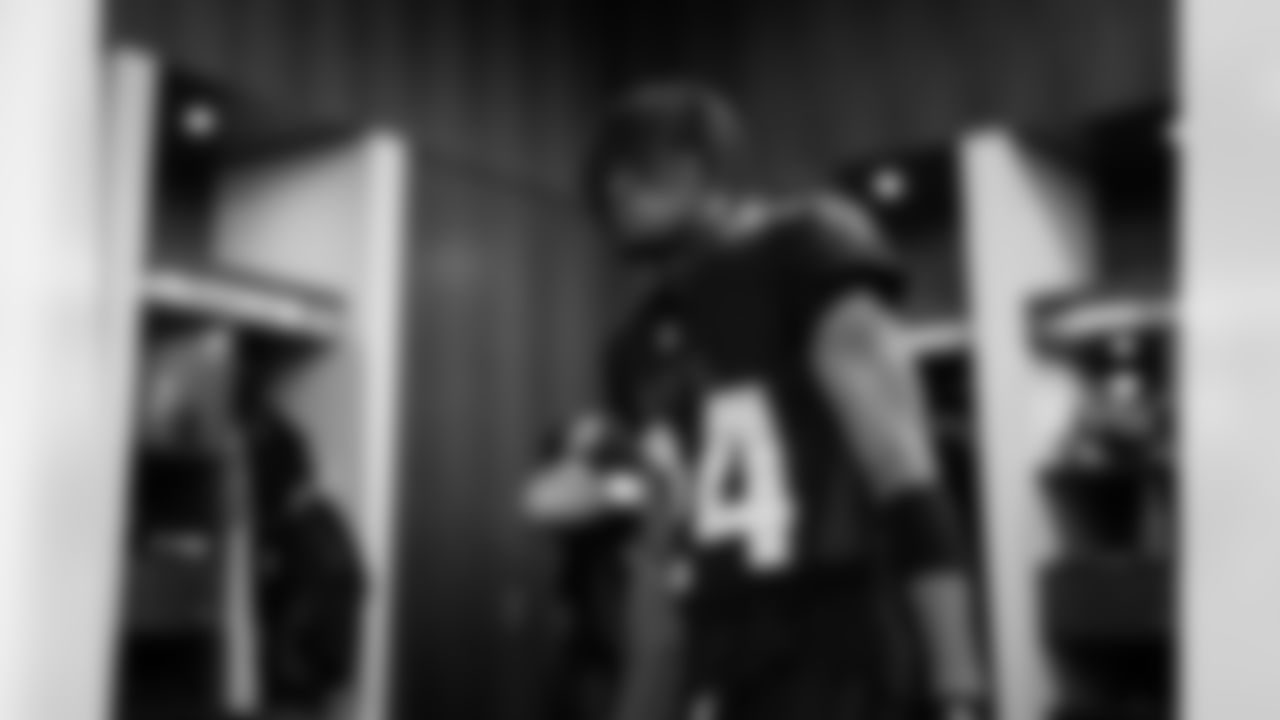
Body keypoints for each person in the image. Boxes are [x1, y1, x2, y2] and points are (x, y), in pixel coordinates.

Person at [528, 82, 987, 720]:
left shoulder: (806, 243)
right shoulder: (633, 347)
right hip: (718, 645)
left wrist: (957, 682)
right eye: (607, 171)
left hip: (838, 628)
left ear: (700, 163)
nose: (617, 187)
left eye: (637, 164)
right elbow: (664, 555)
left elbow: (902, 467)